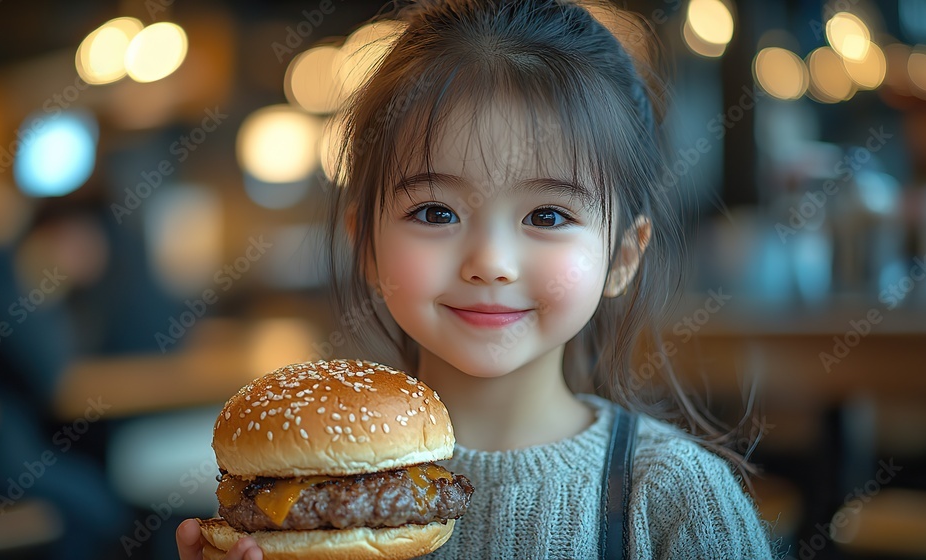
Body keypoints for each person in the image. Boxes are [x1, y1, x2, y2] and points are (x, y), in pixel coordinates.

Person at [178, 0, 779, 558]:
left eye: (547, 215)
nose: (490, 261)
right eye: (435, 212)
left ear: (622, 257)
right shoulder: (304, 496)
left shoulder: (675, 496)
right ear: (366, 243)